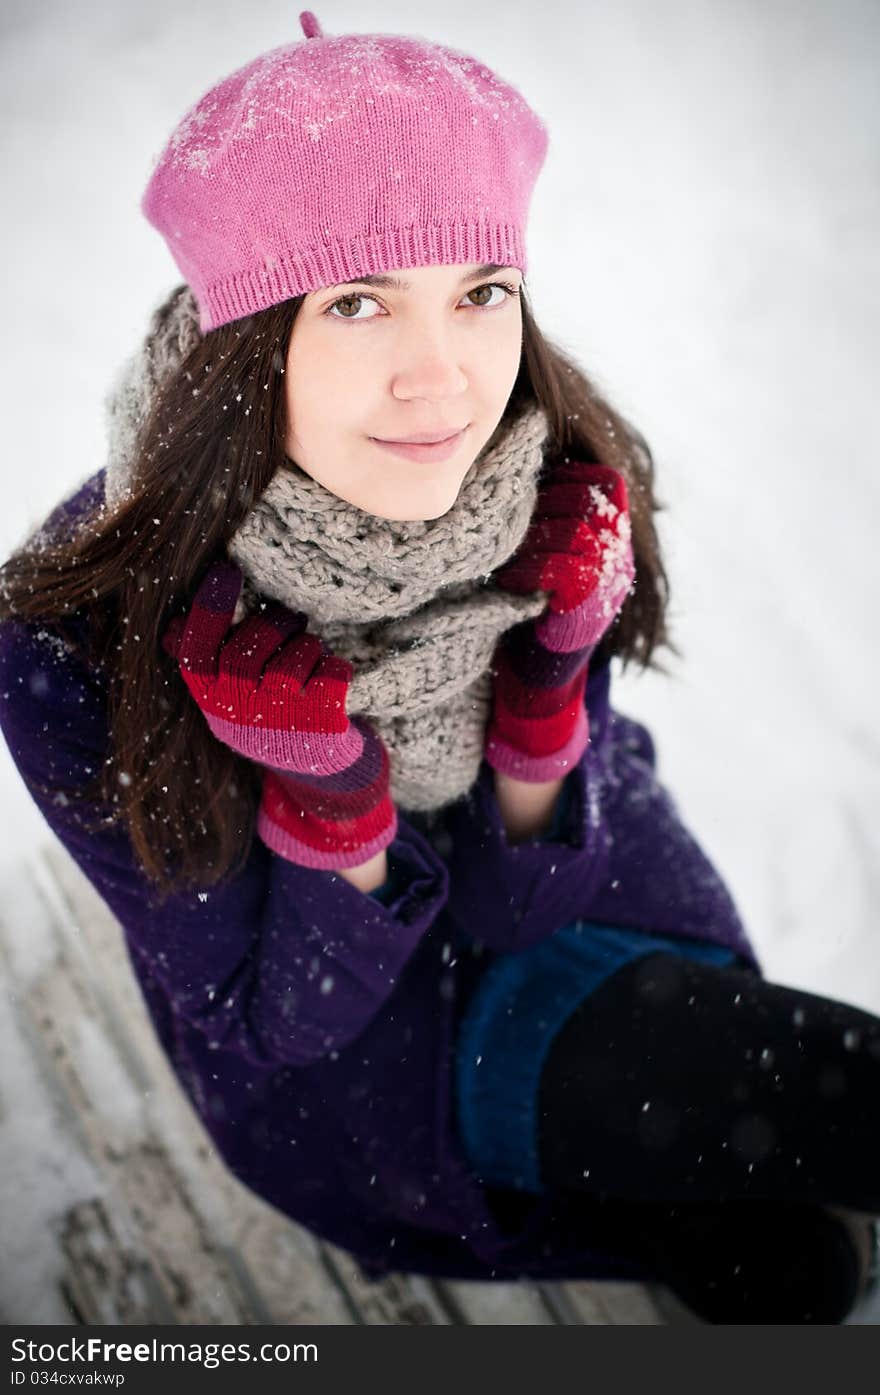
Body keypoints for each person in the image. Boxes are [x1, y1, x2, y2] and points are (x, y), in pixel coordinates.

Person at [0, 10, 877, 1324]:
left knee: (791, 1146)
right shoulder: (82, 635)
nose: (443, 383)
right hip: (386, 1057)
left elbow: (527, 899)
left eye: (481, 294)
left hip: (586, 897)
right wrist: (333, 802)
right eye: (358, 301)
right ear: (244, 345)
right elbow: (279, 1019)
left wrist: (542, 699)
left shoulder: (532, 470)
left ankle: (688, 1208)